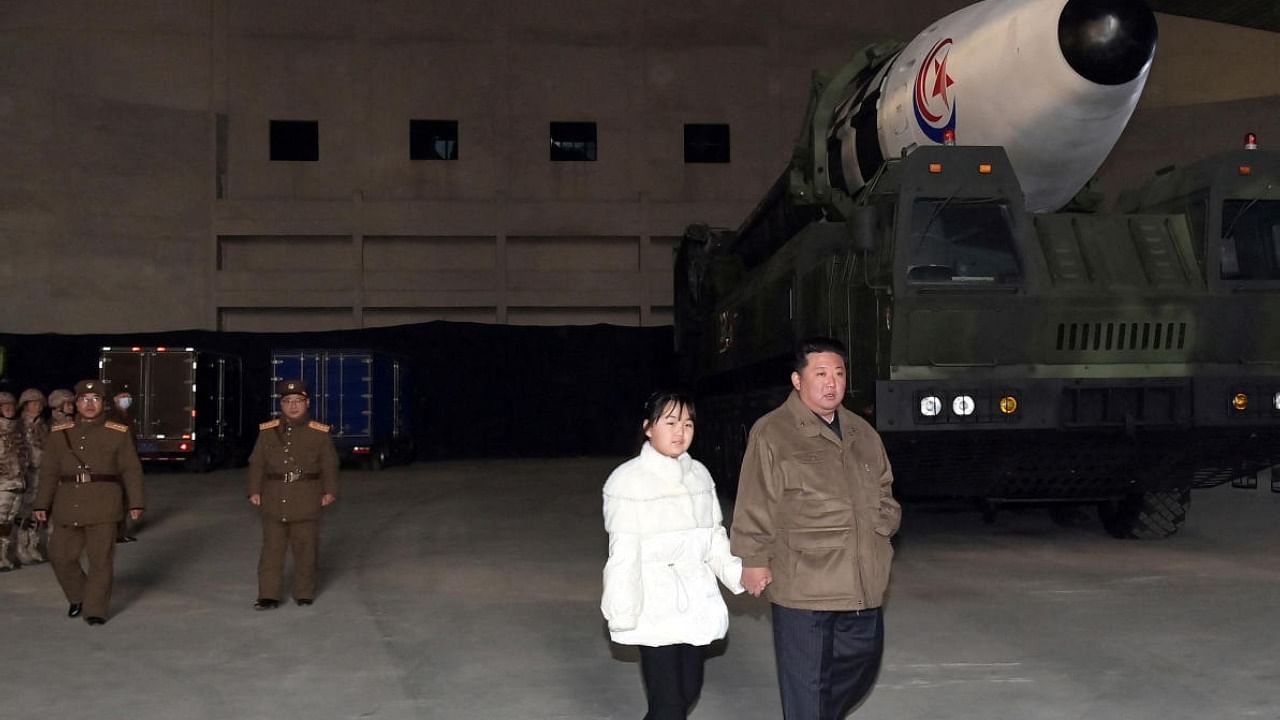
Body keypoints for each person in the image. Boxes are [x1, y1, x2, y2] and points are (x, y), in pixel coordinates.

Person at [730, 337, 901, 720]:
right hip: (804, 583)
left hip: (862, 579)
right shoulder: (773, 432)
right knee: (806, 685)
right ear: (797, 380)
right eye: (820, 374)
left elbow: (886, 487)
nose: (831, 383)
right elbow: (756, 499)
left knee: (861, 667)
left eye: (838, 374)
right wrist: (753, 559)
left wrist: (884, 523)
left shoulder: (861, 432)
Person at [601, 391, 744, 720]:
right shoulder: (627, 481)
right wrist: (622, 612)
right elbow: (622, 555)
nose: (681, 431)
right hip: (654, 602)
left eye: (688, 423)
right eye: (671, 422)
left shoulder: (700, 475)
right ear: (649, 428)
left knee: (688, 691)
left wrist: (738, 574)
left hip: (696, 599)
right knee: (668, 705)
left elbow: (714, 538)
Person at [32, 379, 145, 625]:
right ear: (76, 403)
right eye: (84, 399)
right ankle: (79, 596)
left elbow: (131, 470)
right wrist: (42, 504)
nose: (89, 404)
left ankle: (95, 609)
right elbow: (49, 471)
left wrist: (136, 502)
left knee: (100, 561)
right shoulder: (61, 434)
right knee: (60, 556)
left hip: (104, 504)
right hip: (68, 503)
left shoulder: (118, 433)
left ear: (104, 404)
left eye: (95, 400)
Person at [247, 379, 338, 610]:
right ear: (281, 404)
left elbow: (329, 464)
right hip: (274, 497)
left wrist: (330, 491)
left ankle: (304, 592)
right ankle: (268, 595)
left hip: (306, 497)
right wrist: (254, 490)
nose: (293, 406)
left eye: (298, 401)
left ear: (307, 403)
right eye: (287, 401)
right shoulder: (268, 432)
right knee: (271, 551)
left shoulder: (319, 433)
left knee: (305, 549)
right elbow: (257, 463)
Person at [16, 388, 49, 566]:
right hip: (25, 473)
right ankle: (22, 547)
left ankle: (33, 546)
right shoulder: (18, 426)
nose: (37, 407)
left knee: (38, 510)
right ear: (25, 405)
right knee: (24, 512)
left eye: (39, 404)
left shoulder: (42, 426)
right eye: (33, 404)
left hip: (41, 472)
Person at [107, 386, 138, 543]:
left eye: (128, 396)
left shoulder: (126, 416)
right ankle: (115, 533)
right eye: (123, 396)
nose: (127, 399)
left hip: (127, 462)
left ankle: (121, 532)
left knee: (125, 498)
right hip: (117, 464)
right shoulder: (113, 417)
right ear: (115, 399)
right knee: (117, 500)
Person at [0, 393, 27, 571]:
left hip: (17, 482)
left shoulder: (17, 431)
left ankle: (4, 556)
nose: (9, 409)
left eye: (11, 406)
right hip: (2, 484)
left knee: (9, 523)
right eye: (5, 407)